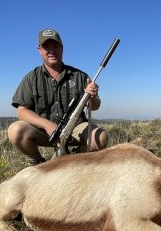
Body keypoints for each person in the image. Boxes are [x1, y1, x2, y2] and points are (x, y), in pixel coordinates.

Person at [8, 28, 109, 165]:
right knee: (15, 130)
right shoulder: (31, 78)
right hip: (44, 132)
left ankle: (72, 161)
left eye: (55, 46)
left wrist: (93, 97)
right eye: (46, 47)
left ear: (62, 48)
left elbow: (94, 107)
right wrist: (48, 125)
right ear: (39, 50)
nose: (52, 50)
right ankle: (38, 164)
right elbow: (22, 111)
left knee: (101, 138)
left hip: (75, 129)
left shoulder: (80, 76)